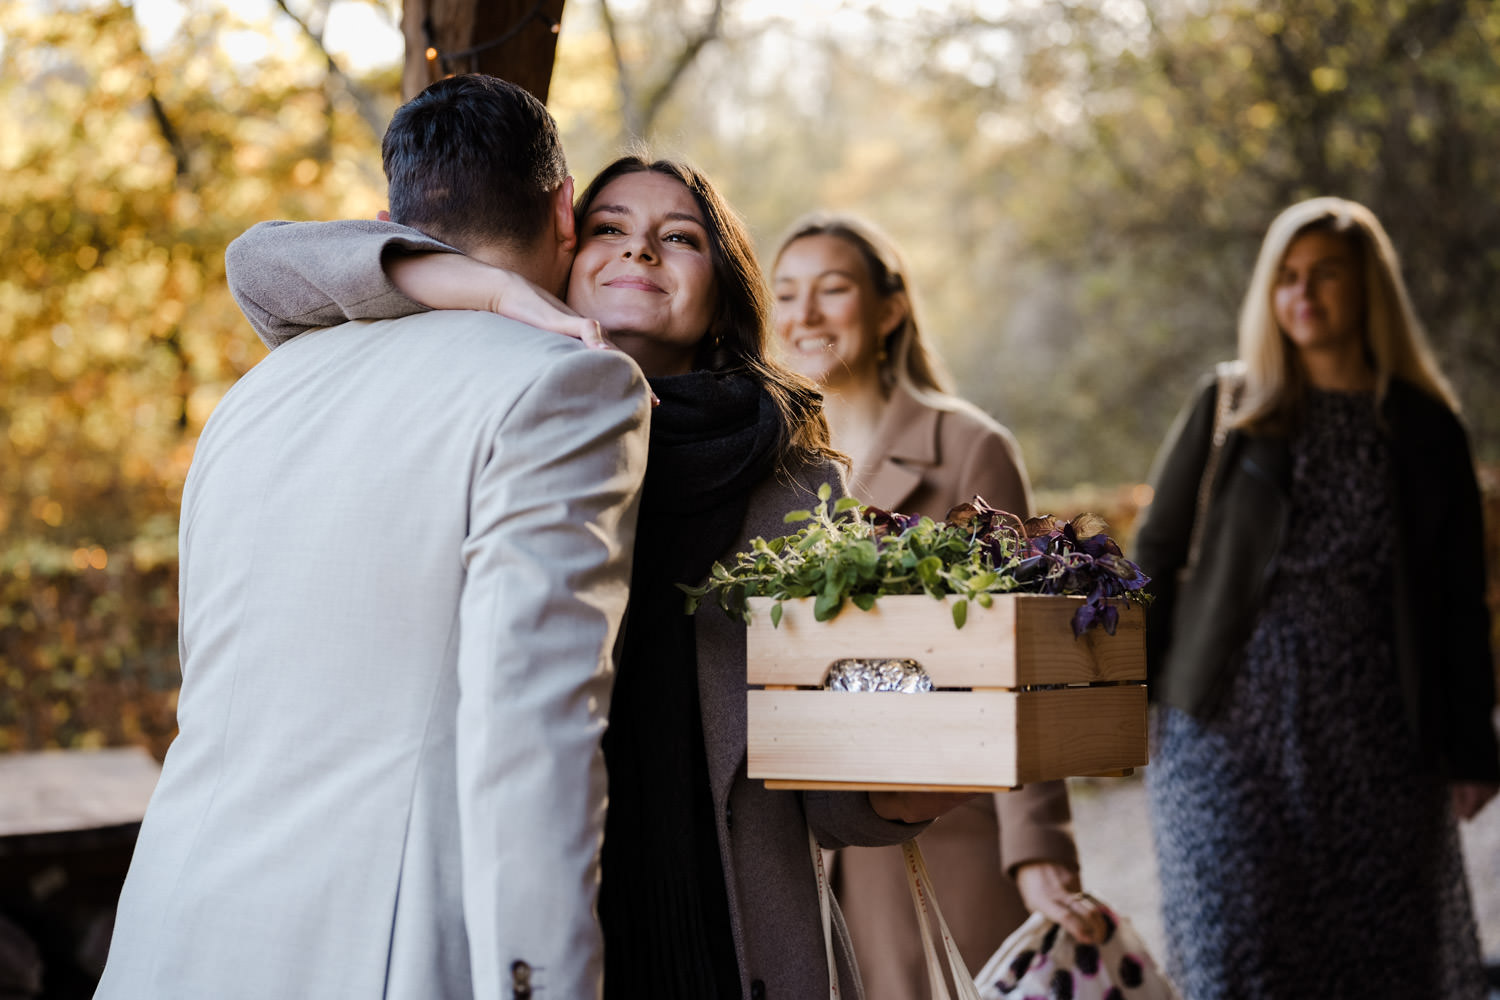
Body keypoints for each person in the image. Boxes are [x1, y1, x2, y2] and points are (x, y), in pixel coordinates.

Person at [223, 150, 964, 999]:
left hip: (725, 931)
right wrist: (488, 288)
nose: (640, 251)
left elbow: (821, 793)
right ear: (561, 262)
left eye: (679, 238)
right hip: (527, 916)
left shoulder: (798, 486)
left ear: (722, 290)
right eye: (609, 229)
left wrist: (911, 788)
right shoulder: (496, 405)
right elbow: (262, 265)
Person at [95, 77, 653, 1000]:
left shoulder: (254, 394)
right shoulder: (569, 384)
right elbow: (532, 728)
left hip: (171, 934)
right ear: (565, 209)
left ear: (388, 221)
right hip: (380, 952)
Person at [1134, 196, 1500, 998]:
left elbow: (1458, 601)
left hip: (1379, 738)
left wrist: (1473, 748)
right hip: (1221, 734)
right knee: (1242, 959)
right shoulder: (1229, 407)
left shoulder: (1427, 428)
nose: (1302, 295)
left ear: (1371, 289)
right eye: (1287, 278)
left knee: (1380, 959)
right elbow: (1154, 556)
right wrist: (1129, 703)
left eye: (1326, 276)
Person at [769, 214, 1105, 999]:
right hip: (803, 859)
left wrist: (1039, 848)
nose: (804, 315)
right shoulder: (771, 458)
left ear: (890, 310)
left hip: (941, 836)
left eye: (833, 289)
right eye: (786, 293)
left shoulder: (969, 448)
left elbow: (1027, 654)